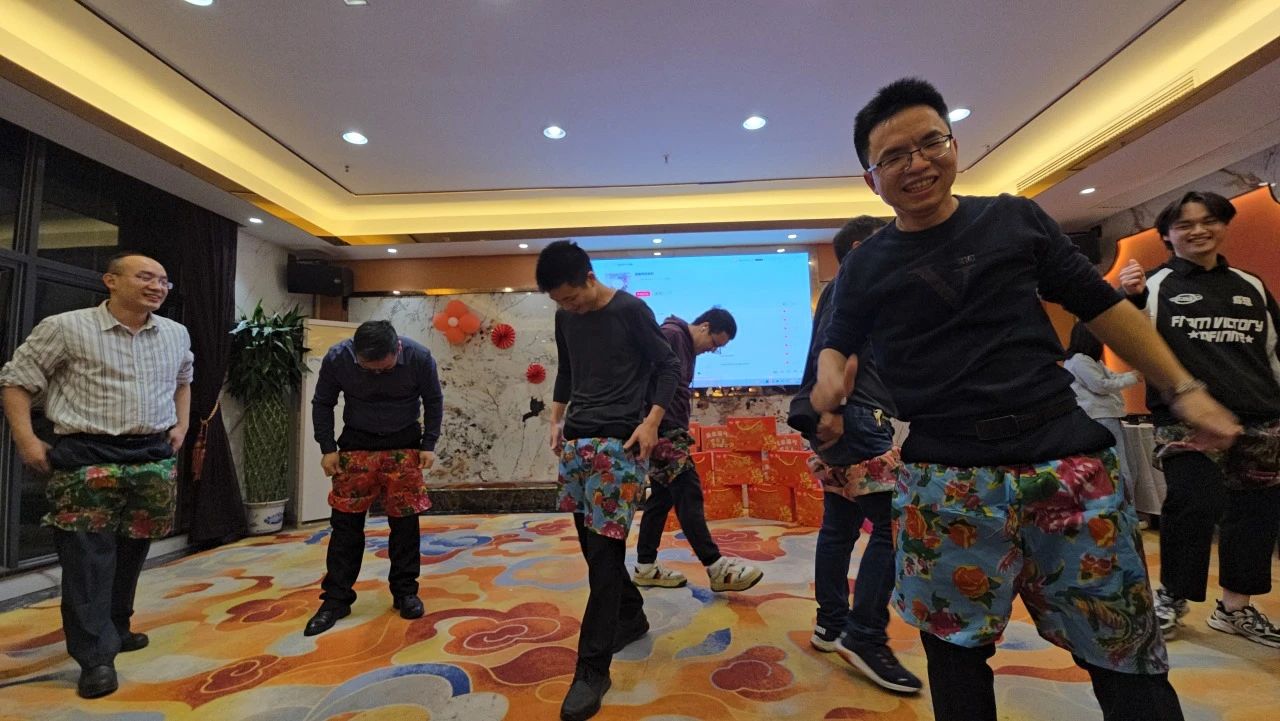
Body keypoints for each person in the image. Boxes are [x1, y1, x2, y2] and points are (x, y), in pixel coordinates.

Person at [811, 78, 1240, 721]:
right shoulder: (867, 264)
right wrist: (829, 382)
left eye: (930, 143)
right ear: (871, 179)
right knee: (955, 657)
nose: (917, 163)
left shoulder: (1013, 218)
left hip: (1066, 465)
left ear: (954, 145)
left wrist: (1184, 388)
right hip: (945, 477)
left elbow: (1100, 305)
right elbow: (837, 340)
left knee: (1122, 650)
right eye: (894, 156)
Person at [0, 253, 192, 699]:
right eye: (145, 277)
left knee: (132, 550)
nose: (157, 286)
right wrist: (26, 440)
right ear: (111, 280)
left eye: (164, 280)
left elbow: (184, 379)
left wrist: (181, 425)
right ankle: (94, 657)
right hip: (87, 455)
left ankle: (117, 627)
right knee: (87, 559)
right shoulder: (65, 327)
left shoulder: (175, 332)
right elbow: (15, 381)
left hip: (151, 455)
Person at [1118, 190, 1280, 647]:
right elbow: (1128, 339)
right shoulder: (1152, 285)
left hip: (1260, 417)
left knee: (1256, 512)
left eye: (1209, 221)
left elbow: (1273, 351)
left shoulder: (1250, 285)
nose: (1198, 231)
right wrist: (1127, 298)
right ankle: (1172, 596)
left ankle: (1235, 608)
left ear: (1224, 226)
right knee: (1193, 502)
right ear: (1167, 236)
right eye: (1185, 225)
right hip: (1184, 420)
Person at [537, 240, 681, 721]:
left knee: (602, 557)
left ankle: (592, 669)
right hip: (577, 444)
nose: (569, 307)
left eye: (572, 298)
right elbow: (568, 369)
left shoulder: (631, 311)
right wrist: (556, 419)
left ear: (589, 277)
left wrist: (652, 421)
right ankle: (631, 614)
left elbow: (668, 365)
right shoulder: (566, 317)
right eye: (559, 302)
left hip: (619, 446)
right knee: (593, 548)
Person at [789, 215, 922, 694]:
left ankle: (831, 624)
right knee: (893, 524)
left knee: (840, 523)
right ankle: (864, 633)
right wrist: (840, 406)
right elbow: (844, 352)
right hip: (856, 415)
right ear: (864, 246)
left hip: (840, 415)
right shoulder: (859, 282)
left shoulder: (834, 289)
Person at [305, 320, 443, 637]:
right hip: (356, 444)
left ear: (397, 349)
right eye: (368, 368)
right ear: (356, 354)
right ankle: (336, 600)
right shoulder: (338, 358)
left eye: (384, 367)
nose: (377, 373)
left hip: (404, 444)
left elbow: (433, 400)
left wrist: (429, 444)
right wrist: (327, 448)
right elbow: (323, 402)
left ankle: (405, 592)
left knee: (405, 523)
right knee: (345, 525)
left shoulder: (420, 357)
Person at [632, 308, 763, 593]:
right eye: (714, 343)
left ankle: (645, 566)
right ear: (704, 326)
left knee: (662, 499)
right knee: (688, 491)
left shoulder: (681, 342)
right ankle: (716, 567)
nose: (711, 350)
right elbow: (652, 384)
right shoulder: (672, 335)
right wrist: (652, 425)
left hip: (667, 429)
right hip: (663, 431)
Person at [1063, 322, 1140, 501]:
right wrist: (1133, 377)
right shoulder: (1079, 360)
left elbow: (1112, 377)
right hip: (1101, 418)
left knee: (1126, 464)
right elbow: (1101, 385)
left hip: (1108, 417)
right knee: (1119, 465)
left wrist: (1133, 376)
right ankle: (1126, 507)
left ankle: (1126, 505)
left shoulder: (1091, 361)